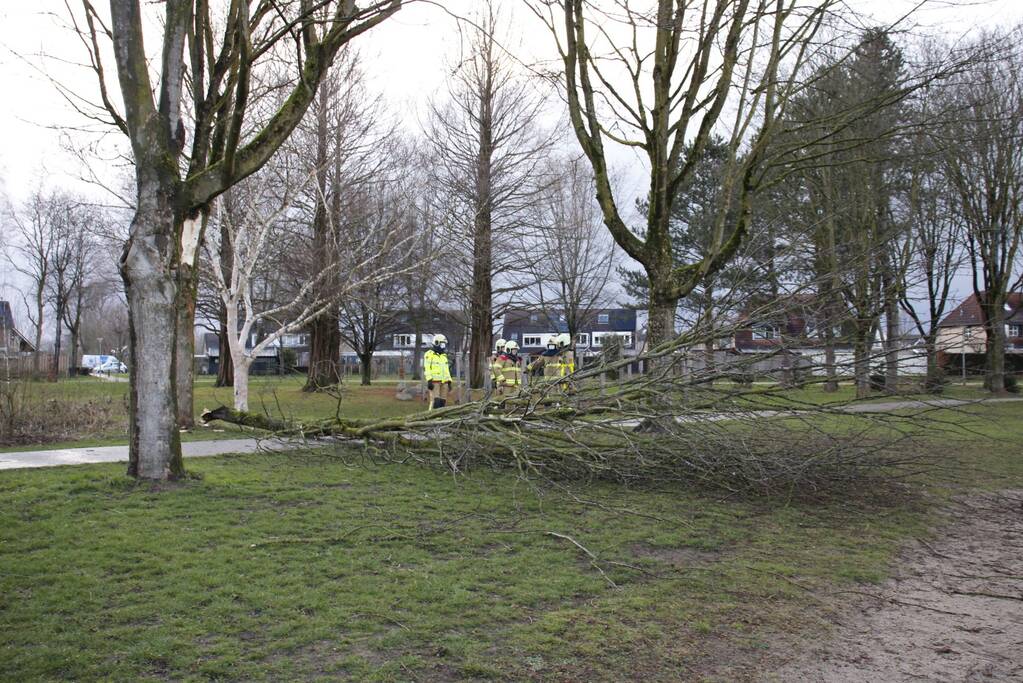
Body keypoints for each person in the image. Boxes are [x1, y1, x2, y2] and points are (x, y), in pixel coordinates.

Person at [424, 334, 453, 410]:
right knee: (435, 401)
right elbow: (427, 368)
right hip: (434, 382)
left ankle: (440, 418)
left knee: (442, 402)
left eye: (444, 345)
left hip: (444, 382)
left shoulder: (444, 356)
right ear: (437, 343)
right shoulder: (429, 354)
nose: (444, 347)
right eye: (442, 345)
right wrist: (429, 380)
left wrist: (449, 381)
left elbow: (446, 370)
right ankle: (431, 417)